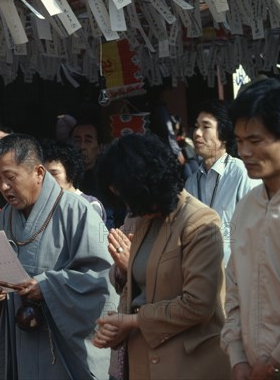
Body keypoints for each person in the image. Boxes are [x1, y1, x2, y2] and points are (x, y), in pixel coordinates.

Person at [92, 134, 230, 380]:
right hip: (142, 361)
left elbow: (199, 305)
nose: (125, 203)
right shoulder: (139, 218)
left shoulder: (199, 221)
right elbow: (138, 283)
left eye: (126, 195)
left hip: (189, 364)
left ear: (144, 184)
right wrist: (122, 275)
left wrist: (132, 322)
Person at [0, 134, 115, 379]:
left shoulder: (77, 211)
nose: (3, 187)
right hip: (21, 342)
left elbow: (103, 278)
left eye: (10, 177)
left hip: (62, 346)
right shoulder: (2, 220)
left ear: (39, 172)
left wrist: (47, 287)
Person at [221, 78, 280, 380]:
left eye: (255, 141)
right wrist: (238, 358)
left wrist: (276, 362)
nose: (245, 152)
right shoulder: (246, 207)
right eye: (239, 142)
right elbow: (234, 290)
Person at [185, 100, 259, 266]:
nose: (197, 133)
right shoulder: (190, 183)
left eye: (206, 126)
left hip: (236, 277)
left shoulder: (241, 174)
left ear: (224, 133)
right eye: (196, 126)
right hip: (200, 275)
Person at [71, 122, 124, 228]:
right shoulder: (65, 179)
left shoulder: (109, 182)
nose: (82, 146)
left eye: (88, 141)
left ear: (99, 148)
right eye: (77, 141)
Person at [41, 139, 107, 224]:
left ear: (71, 172)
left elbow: (96, 236)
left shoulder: (90, 204)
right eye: (44, 175)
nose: (48, 179)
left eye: (54, 174)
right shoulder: (43, 206)